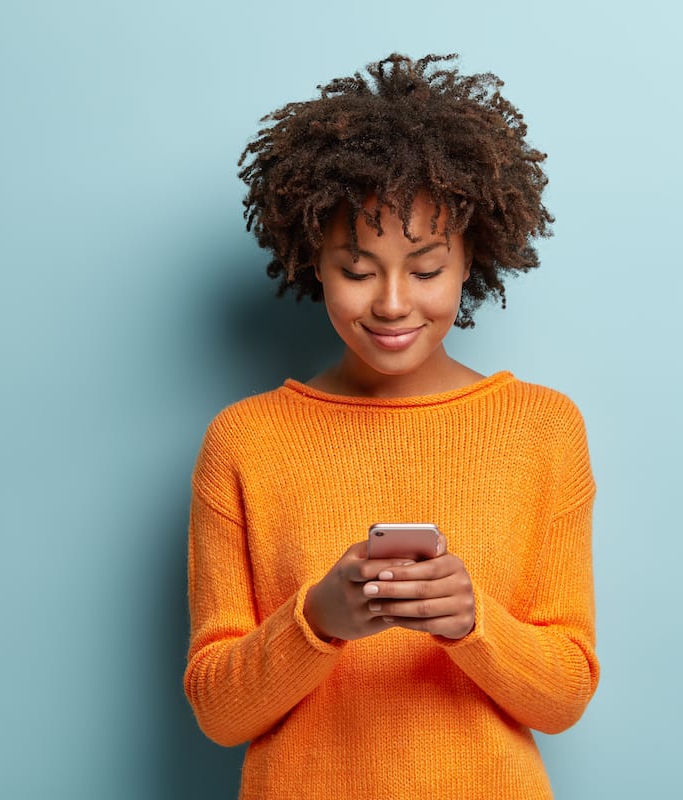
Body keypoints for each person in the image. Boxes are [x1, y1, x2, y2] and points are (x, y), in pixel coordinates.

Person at [185, 53, 597, 800]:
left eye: (427, 268)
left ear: (474, 255)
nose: (393, 303)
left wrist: (475, 625)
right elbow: (218, 712)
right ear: (312, 260)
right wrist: (318, 620)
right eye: (358, 268)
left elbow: (564, 696)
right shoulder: (245, 441)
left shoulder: (543, 429)